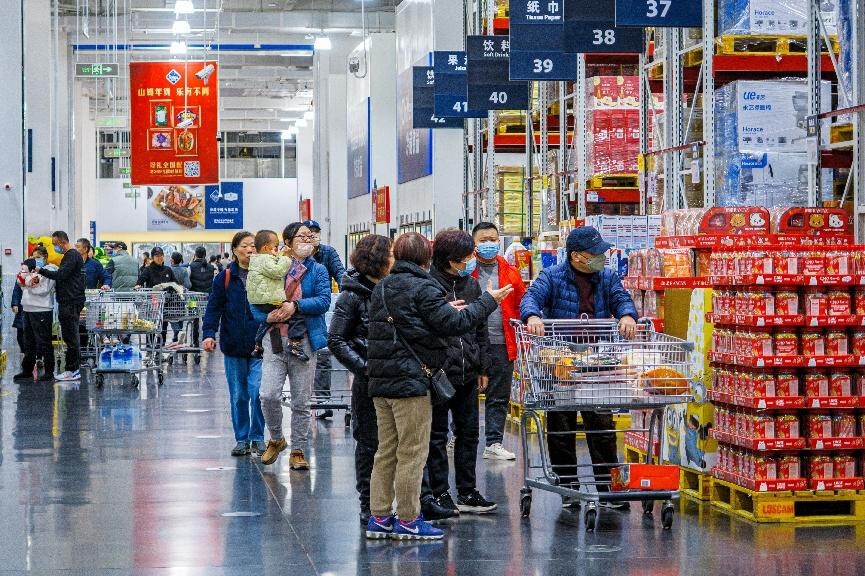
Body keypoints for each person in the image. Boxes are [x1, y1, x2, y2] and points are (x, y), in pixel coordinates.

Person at [365, 232, 512, 541]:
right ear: (426, 257)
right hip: (411, 382)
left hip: (381, 381)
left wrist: (447, 314)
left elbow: (411, 325)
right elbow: (454, 325)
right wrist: (489, 301)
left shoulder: (382, 287)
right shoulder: (424, 287)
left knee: (386, 450)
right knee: (412, 452)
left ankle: (379, 516)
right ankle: (409, 518)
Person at [520, 226, 638, 510]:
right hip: (560, 361)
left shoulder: (607, 277)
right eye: (594, 253)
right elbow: (531, 298)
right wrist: (533, 316)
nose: (601, 257)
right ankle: (568, 488)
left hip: (596, 361)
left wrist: (627, 315)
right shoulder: (552, 276)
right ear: (576, 256)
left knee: (602, 426)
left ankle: (609, 488)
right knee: (561, 426)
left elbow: (621, 298)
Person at [421, 229, 498, 518]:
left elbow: (481, 328)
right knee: (437, 436)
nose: (470, 261)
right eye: (465, 257)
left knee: (469, 433)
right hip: (439, 374)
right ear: (450, 259)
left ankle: (467, 491)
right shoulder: (428, 286)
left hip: (468, 373)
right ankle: (440, 492)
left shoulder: (472, 285)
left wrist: (483, 367)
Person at [327, 234, 393, 526]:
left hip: (395, 376)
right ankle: (368, 503)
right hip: (368, 380)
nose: (394, 260)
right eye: (390, 255)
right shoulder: (351, 296)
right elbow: (336, 340)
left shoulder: (392, 289)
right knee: (368, 442)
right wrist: (363, 368)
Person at [255, 223, 331, 469]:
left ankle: (298, 449)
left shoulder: (318, 270)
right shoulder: (272, 266)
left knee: (301, 400)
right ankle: (276, 438)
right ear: (287, 242)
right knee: (268, 394)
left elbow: (323, 301)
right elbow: (255, 300)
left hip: (305, 340)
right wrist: (265, 316)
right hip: (274, 339)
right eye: (302, 236)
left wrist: (296, 306)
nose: (308, 239)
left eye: (311, 236)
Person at [202, 231, 266, 457]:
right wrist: (209, 333)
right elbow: (214, 307)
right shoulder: (225, 277)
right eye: (245, 245)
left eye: (254, 246)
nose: (250, 250)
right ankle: (242, 438)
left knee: (258, 392)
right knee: (239, 395)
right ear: (235, 250)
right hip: (233, 345)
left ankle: (258, 437)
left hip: (261, 344)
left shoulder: (265, 274)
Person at [471, 222, 527, 461]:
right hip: (472, 343)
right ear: (474, 243)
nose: (489, 244)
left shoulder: (510, 271)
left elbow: (522, 302)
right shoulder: (466, 271)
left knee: (499, 396)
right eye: (483, 240)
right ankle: (457, 437)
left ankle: (494, 443)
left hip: (503, 343)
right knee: (466, 394)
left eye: (493, 240)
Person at [303, 220, 347, 420]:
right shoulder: (294, 256)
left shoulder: (328, 253)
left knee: (322, 354)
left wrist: (346, 295)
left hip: (322, 308)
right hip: (299, 311)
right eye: (308, 232)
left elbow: (340, 274)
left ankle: (322, 401)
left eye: (316, 232)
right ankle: (304, 400)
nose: (312, 236)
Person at [247, 229, 308, 361]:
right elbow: (278, 271)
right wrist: (286, 257)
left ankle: (257, 345)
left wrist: (282, 255)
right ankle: (294, 344)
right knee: (296, 316)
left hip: (261, 300)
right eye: (276, 246)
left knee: (269, 321)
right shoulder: (265, 259)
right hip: (269, 299)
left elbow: (274, 263)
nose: (277, 249)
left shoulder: (258, 259)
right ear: (266, 248)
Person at [37, 231, 85, 382]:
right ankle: (72, 369)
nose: (54, 248)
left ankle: (72, 370)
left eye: (55, 244)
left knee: (71, 337)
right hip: (68, 300)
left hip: (70, 300)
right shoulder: (70, 256)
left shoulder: (72, 255)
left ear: (62, 242)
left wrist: (41, 270)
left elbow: (61, 275)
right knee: (70, 336)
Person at [189, 246, 216, 349]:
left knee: (194, 319)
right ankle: (209, 339)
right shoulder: (211, 267)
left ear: (195, 255)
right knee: (207, 319)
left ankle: (195, 342)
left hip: (193, 298)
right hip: (207, 297)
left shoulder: (191, 266)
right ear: (205, 255)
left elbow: (188, 283)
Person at [168, 251, 192, 343]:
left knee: (171, 317)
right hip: (181, 298)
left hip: (170, 299)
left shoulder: (168, 270)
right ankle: (177, 335)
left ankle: (178, 332)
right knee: (180, 316)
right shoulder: (184, 270)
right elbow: (188, 285)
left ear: (172, 259)